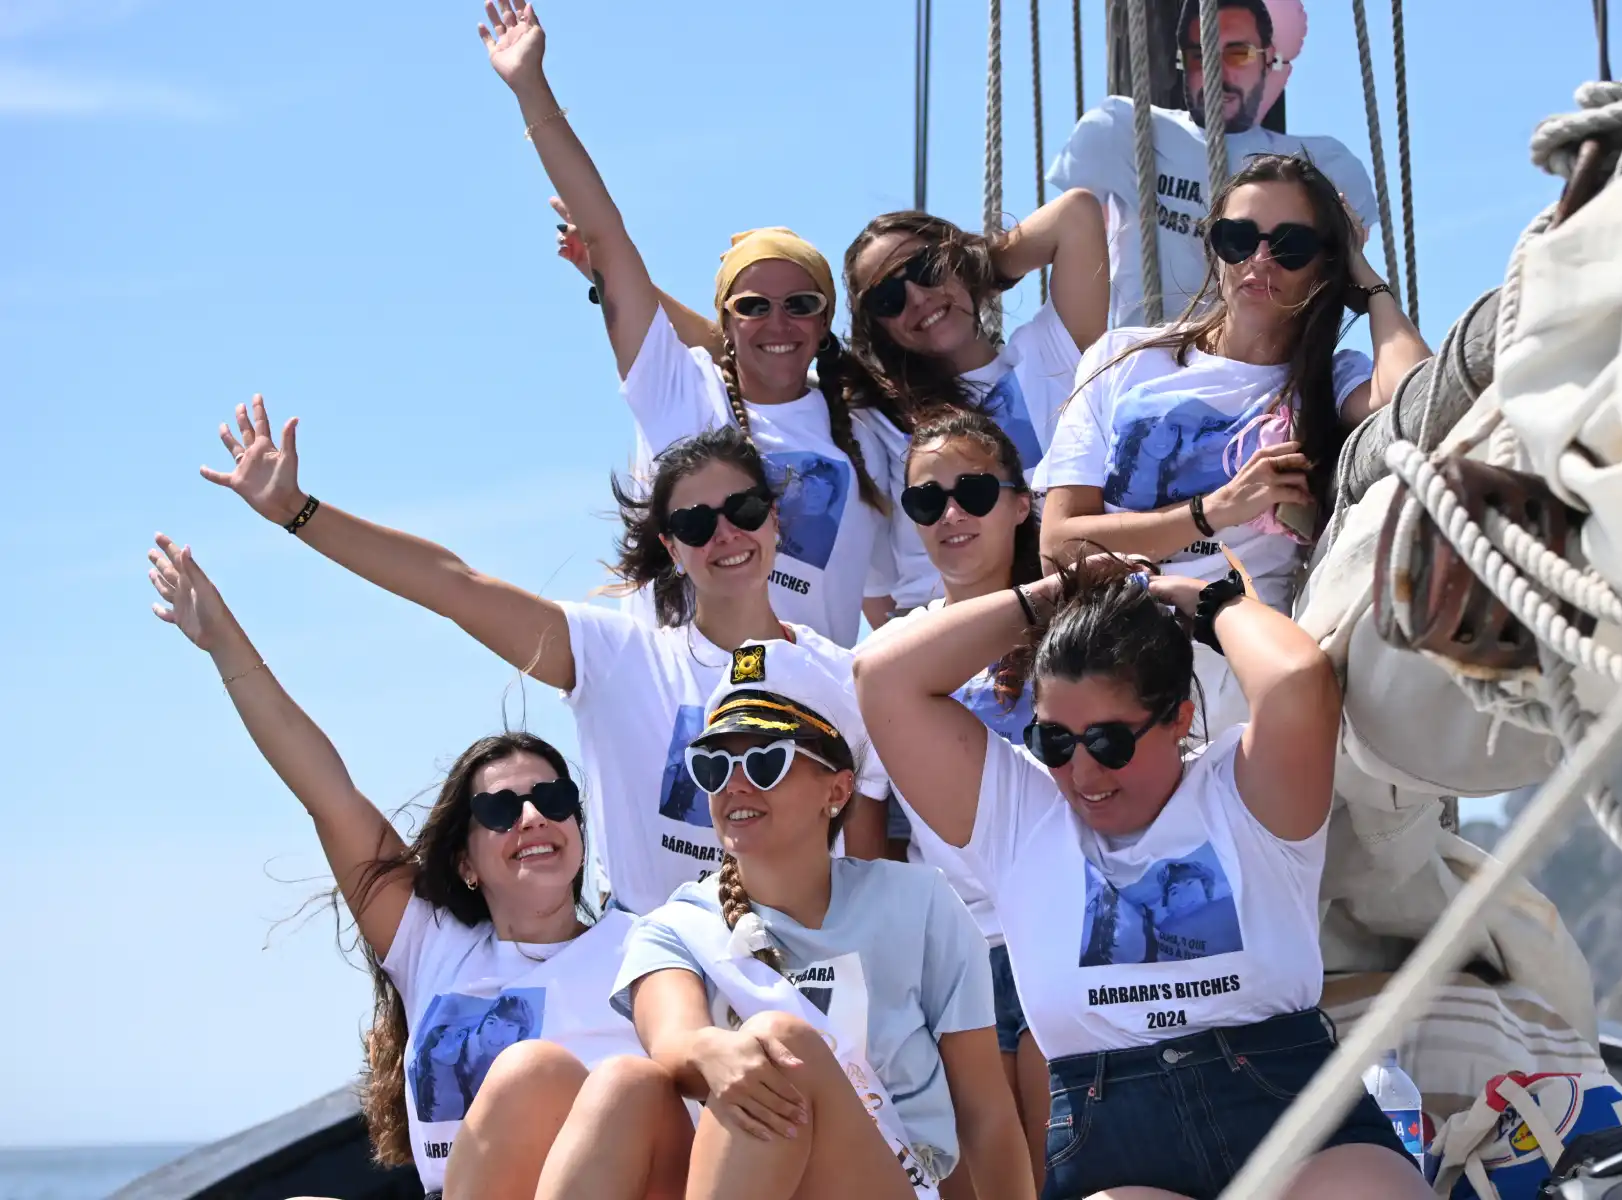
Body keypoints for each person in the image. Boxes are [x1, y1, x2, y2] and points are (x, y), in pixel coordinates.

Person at [851, 551, 1431, 1200]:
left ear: (1180, 718)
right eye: (1057, 743)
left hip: (1291, 1112)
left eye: (1109, 742)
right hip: (1119, 1155)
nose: (1085, 773)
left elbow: (1298, 678)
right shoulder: (1018, 820)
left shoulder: (1247, 796)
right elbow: (882, 676)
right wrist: (1060, 593)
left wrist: (1184, 595)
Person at [199, 395, 892, 914]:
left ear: (773, 518)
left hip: (803, 978)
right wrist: (298, 511)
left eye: (741, 510)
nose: (724, 535)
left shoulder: (847, 678)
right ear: (671, 548)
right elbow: (452, 585)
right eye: (693, 523)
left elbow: (866, 871)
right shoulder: (616, 658)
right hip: (648, 990)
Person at [143, 534, 682, 1199]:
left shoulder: (645, 948)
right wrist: (223, 639)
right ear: (466, 862)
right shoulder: (433, 948)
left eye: (553, 798)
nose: (533, 817)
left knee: (540, 1073)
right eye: (500, 810)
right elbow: (325, 790)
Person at [529, 638, 1034, 1200]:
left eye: (765, 761)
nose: (735, 784)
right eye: (714, 765)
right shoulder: (677, 925)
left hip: (892, 1181)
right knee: (624, 1083)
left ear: (838, 790)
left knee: (779, 1043)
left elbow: (986, 1112)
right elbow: (673, 1036)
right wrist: (709, 1050)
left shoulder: (919, 903)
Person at [482, 0, 898, 645]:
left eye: (801, 304)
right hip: (682, 704)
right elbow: (609, 233)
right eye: (753, 306)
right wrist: (530, 86)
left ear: (824, 325)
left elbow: (887, 601)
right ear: (725, 323)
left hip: (816, 713)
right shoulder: (680, 390)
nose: (777, 321)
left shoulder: (869, 434)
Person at [1036, 153, 1431, 733]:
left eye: (1290, 245)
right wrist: (1213, 511)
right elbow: (1061, 546)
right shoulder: (1125, 360)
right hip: (1102, 661)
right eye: (1239, 237)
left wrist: (1366, 280)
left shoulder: (1332, 379)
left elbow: (1414, 401)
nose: (1260, 259)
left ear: (1325, 264)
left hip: (1236, 684)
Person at [859, 408, 1050, 1193]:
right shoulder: (885, 655)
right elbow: (867, 826)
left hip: (1058, 940)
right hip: (950, 963)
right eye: (926, 501)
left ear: (1021, 501)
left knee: (1059, 1175)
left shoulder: (1084, 627)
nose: (951, 515)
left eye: (973, 490)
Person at [840, 199, 1109, 611]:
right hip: (947, 633)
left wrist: (973, 270)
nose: (916, 297)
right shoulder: (874, 418)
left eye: (925, 269)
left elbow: (1075, 215)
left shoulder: (1049, 355)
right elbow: (873, 585)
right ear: (878, 327)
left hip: (1068, 621)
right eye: (887, 297)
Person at [1049, 0, 1378, 326]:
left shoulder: (1323, 164)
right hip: (1145, 359)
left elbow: (1346, 273)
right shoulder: (1122, 128)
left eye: (1240, 54)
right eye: (1201, 56)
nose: (1220, 71)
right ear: (1182, 62)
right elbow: (1075, 237)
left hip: (1266, 371)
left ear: (1267, 61)